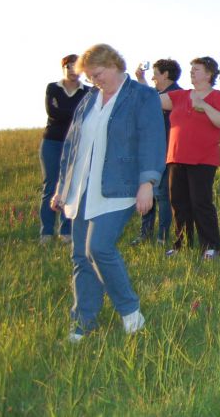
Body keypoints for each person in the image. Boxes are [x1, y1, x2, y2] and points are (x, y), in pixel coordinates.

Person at [50, 44, 165, 342]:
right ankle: (83, 323)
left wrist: (147, 183)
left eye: (97, 74)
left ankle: (131, 313)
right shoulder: (88, 99)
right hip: (82, 188)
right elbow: (73, 144)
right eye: (90, 77)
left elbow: (152, 139)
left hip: (121, 186)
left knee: (98, 248)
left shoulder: (142, 96)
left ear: (113, 64)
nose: (94, 81)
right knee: (80, 256)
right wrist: (63, 187)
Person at [159, 57, 220, 259]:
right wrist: (140, 82)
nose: (191, 72)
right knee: (178, 202)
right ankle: (182, 244)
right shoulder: (179, 96)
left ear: (209, 74)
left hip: (203, 158)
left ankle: (210, 246)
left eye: (196, 69)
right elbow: (152, 102)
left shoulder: (217, 97)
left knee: (201, 202)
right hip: (176, 156)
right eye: (191, 69)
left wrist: (205, 106)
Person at [39, 54, 90, 244]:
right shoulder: (53, 88)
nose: (72, 70)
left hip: (76, 144)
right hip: (52, 142)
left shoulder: (88, 91)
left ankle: (66, 232)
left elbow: (85, 116)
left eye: (75, 67)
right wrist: (75, 114)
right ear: (63, 69)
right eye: (68, 67)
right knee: (50, 186)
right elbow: (52, 114)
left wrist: (66, 113)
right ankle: (46, 233)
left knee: (70, 185)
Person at [132, 58, 182, 245]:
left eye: (155, 73)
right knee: (148, 192)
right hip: (151, 150)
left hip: (168, 150)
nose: (152, 77)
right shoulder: (157, 93)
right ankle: (145, 233)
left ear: (166, 75)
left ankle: (162, 236)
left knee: (162, 195)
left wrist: (140, 82)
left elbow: (153, 101)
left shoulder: (177, 93)